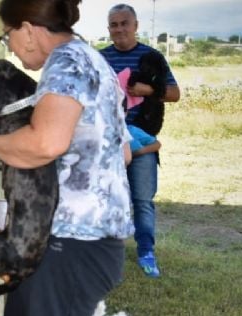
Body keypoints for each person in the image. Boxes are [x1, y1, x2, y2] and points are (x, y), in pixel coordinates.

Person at [0, 0, 134, 316]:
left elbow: (45, 142)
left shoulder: (67, 63)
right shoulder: (90, 59)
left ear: (29, 29)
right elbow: (120, 151)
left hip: (78, 242)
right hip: (66, 237)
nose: (9, 45)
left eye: (8, 33)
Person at [100, 3, 180, 278]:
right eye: (114, 24)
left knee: (142, 199)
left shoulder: (152, 56)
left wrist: (150, 90)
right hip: (108, 140)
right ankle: (106, 253)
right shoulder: (99, 58)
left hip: (142, 137)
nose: (119, 29)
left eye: (124, 23)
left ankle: (146, 251)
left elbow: (175, 93)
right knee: (107, 197)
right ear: (108, 29)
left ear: (136, 26)